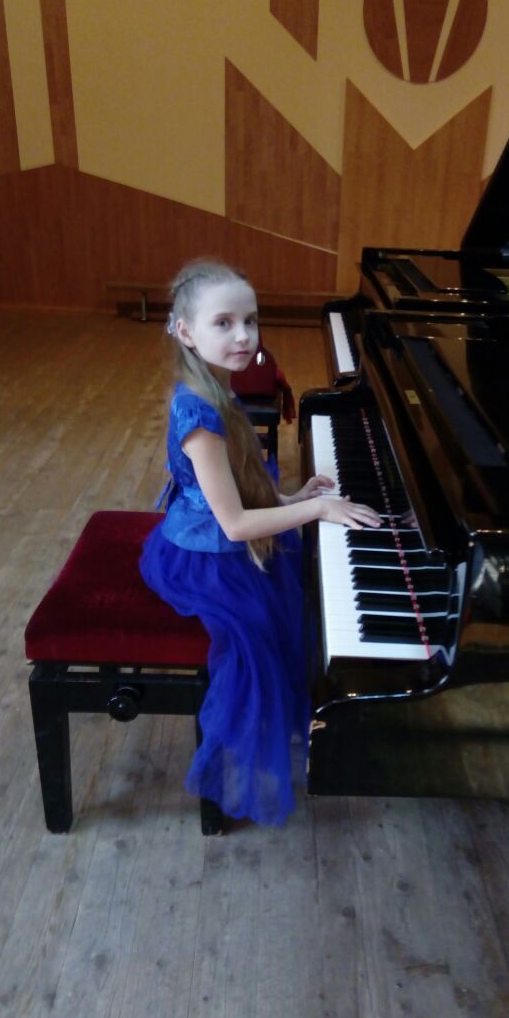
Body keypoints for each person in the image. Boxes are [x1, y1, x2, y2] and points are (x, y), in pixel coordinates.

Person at [140, 259, 380, 827]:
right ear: (185, 331)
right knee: (262, 640)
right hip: (206, 558)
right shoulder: (199, 415)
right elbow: (234, 526)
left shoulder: (216, 386)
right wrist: (314, 508)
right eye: (223, 323)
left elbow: (241, 485)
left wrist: (293, 495)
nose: (244, 335)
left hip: (221, 534)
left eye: (250, 320)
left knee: (301, 594)